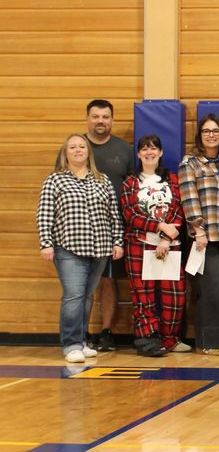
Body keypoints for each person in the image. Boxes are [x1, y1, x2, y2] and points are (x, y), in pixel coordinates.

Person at [37, 134, 125, 363]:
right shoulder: (55, 180)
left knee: (86, 297)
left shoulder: (102, 180)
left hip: (100, 248)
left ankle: (82, 341)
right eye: (73, 147)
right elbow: (45, 214)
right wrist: (46, 243)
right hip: (68, 248)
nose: (78, 150)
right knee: (74, 296)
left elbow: (113, 214)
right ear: (65, 153)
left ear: (88, 152)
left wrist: (117, 241)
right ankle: (71, 344)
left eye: (82, 147)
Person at [120, 135, 187, 357]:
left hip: (170, 246)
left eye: (154, 149)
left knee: (174, 297)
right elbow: (130, 214)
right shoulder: (130, 183)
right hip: (140, 246)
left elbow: (178, 209)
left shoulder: (173, 180)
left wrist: (167, 238)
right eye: (144, 149)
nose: (149, 153)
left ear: (160, 153)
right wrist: (160, 227)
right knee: (143, 296)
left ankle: (170, 338)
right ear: (139, 154)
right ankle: (147, 339)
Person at [179, 114, 219, 356]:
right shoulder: (190, 163)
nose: (211, 135)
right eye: (206, 131)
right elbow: (189, 197)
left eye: (215, 131)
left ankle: (206, 338)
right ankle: (212, 342)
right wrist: (197, 229)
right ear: (200, 136)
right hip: (204, 237)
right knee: (212, 290)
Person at [84, 99, 132, 351]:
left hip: (113, 229)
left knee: (108, 282)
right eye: (95, 116)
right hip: (79, 230)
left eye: (105, 117)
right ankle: (80, 333)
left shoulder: (124, 150)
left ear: (112, 120)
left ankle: (106, 332)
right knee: (81, 283)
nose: (100, 121)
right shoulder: (77, 147)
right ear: (87, 119)